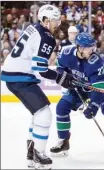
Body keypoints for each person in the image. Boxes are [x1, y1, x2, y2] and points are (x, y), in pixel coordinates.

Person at [49, 32, 104, 159]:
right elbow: (60, 67)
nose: (92, 50)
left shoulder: (95, 61)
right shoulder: (66, 53)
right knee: (61, 107)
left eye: (92, 46)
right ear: (80, 47)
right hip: (79, 86)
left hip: (101, 86)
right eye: (89, 47)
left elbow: (98, 88)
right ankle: (63, 142)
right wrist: (65, 77)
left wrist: (93, 107)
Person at [1, 4, 61, 169]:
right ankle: (38, 155)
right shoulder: (47, 37)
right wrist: (61, 77)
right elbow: (40, 69)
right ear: (46, 20)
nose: (58, 23)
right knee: (44, 114)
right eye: (55, 20)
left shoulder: (33, 28)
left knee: (39, 113)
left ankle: (31, 153)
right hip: (20, 76)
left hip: (14, 74)